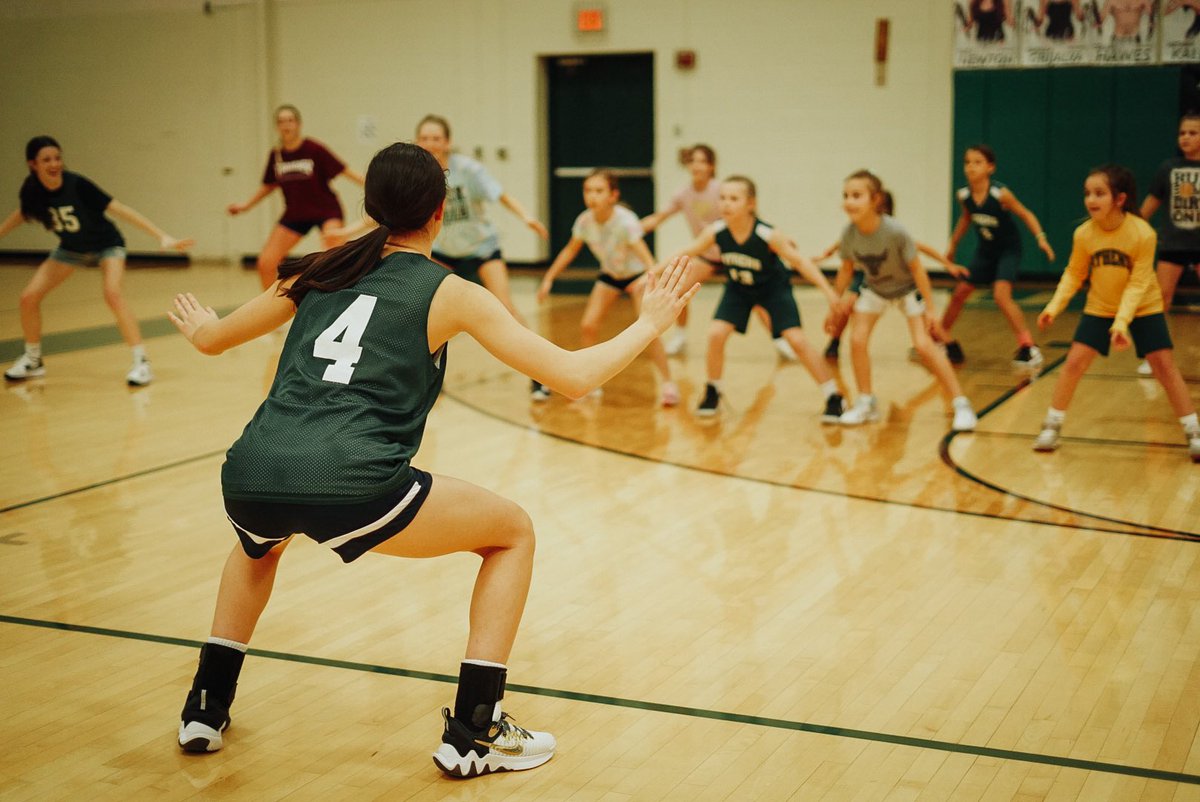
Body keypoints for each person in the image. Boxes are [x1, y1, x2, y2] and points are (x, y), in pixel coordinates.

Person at [168, 142, 699, 776]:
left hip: (251, 473)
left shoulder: (311, 269)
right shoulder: (449, 291)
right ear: (440, 211)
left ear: (369, 207)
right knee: (512, 533)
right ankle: (476, 730)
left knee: (259, 545)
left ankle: (206, 704)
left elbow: (210, 339)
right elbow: (574, 378)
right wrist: (651, 322)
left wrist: (200, 320)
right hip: (352, 482)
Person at [1032, 165, 1199, 461]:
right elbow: (1073, 274)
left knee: (1164, 366)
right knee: (1073, 364)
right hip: (1101, 306)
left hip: (1144, 307)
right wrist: (1053, 307)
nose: (1090, 200)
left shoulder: (1142, 234)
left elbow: (1138, 283)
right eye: (1087, 193)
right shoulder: (1083, 234)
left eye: (1099, 193)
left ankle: (1193, 431)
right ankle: (1052, 425)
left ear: (1119, 199)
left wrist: (1121, 323)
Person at [0, 135, 193, 385]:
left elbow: (120, 209)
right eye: (46, 159)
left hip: (107, 245)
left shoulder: (77, 185)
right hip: (71, 249)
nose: (54, 163)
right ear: (32, 164)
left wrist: (162, 236)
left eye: (57, 157)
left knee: (112, 294)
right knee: (28, 297)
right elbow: (20, 215)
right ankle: (33, 360)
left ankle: (141, 362)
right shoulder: (32, 190)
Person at [670, 175, 844, 419]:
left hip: (773, 290)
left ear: (750, 204)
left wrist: (829, 292)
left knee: (796, 340)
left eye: (733, 198)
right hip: (739, 289)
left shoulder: (767, 234)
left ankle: (833, 395)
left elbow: (800, 262)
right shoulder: (716, 231)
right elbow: (688, 252)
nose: (726, 204)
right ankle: (713, 391)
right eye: (722, 198)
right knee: (716, 333)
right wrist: (653, 271)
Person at [414, 114, 552, 400]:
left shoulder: (468, 170)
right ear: (418, 141)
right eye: (425, 138)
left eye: (436, 138)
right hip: (443, 251)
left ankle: (541, 374)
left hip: (481, 248)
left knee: (506, 310)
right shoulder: (417, 174)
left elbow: (501, 195)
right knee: (426, 311)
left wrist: (526, 217)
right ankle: (425, 380)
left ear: (447, 142)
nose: (430, 143)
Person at [828, 171, 978, 431]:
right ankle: (866, 402)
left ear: (875, 200)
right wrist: (835, 303)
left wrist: (930, 309)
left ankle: (961, 403)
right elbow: (845, 271)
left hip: (907, 289)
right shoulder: (849, 233)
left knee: (923, 345)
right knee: (857, 339)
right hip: (875, 289)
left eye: (856, 196)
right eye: (846, 196)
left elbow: (918, 270)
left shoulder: (895, 231)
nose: (849, 201)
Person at [536, 170, 679, 405]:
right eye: (588, 190)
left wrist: (651, 280)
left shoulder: (625, 222)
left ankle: (667, 384)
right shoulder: (584, 221)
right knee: (588, 325)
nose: (592, 196)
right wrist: (549, 277)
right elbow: (570, 250)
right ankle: (590, 380)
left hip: (637, 277)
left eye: (599, 191)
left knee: (650, 331)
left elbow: (646, 257)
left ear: (613, 195)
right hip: (611, 275)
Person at [640, 145, 794, 361]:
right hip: (708, 256)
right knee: (678, 290)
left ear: (711, 166)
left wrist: (780, 240)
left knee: (759, 302)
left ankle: (780, 340)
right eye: (693, 160)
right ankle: (681, 336)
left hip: (736, 254)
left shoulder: (721, 189)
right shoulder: (683, 194)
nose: (697, 165)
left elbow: (752, 217)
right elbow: (659, 217)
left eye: (702, 161)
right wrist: (633, 229)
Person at [817, 190, 969, 360]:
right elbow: (842, 247)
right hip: (870, 277)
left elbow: (923, 248)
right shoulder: (856, 230)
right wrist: (824, 255)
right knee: (847, 305)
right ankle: (834, 343)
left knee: (925, 319)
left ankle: (950, 346)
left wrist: (948, 265)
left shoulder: (893, 232)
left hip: (901, 281)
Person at [941, 144, 1056, 367]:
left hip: (1008, 250)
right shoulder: (964, 195)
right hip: (986, 251)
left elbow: (1025, 213)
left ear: (990, 167)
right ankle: (940, 338)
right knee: (960, 293)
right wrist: (953, 245)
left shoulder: (1000, 193)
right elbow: (966, 218)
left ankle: (1028, 347)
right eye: (967, 162)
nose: (971, 167)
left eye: (977, 162)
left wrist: (1041, 237)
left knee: (1001, 296)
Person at [228, 105, 365, 289]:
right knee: (266, 262)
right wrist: (246, 205)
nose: (286, 125)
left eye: (290, 120)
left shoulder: (314, 149)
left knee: (334, 258)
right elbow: (269, 185)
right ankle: (270, 309)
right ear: (277, 126)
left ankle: (337, 302)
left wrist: (375, 186)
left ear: (298, 124)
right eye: (281, 121)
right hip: (295, 214)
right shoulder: (277, 155)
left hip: (326, 210)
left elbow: (346, 171)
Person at [1136, 113, 1200, 376]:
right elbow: (1149, 206)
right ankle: (1155, 358)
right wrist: (1133, 230)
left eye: (1192, 133)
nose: (1185, 137)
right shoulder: (1168, 168)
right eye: (1182, 133)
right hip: (1173, 244)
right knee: (1160, 299)